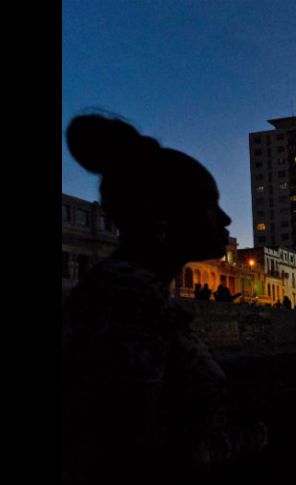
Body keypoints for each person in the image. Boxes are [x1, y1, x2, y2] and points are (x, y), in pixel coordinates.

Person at [62, 114, 267, 485]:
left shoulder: (134, 290)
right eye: (209, 204)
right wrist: (266, 434)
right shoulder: (127, 301)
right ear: (163, 218)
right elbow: (139, 460)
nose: (224, 218)